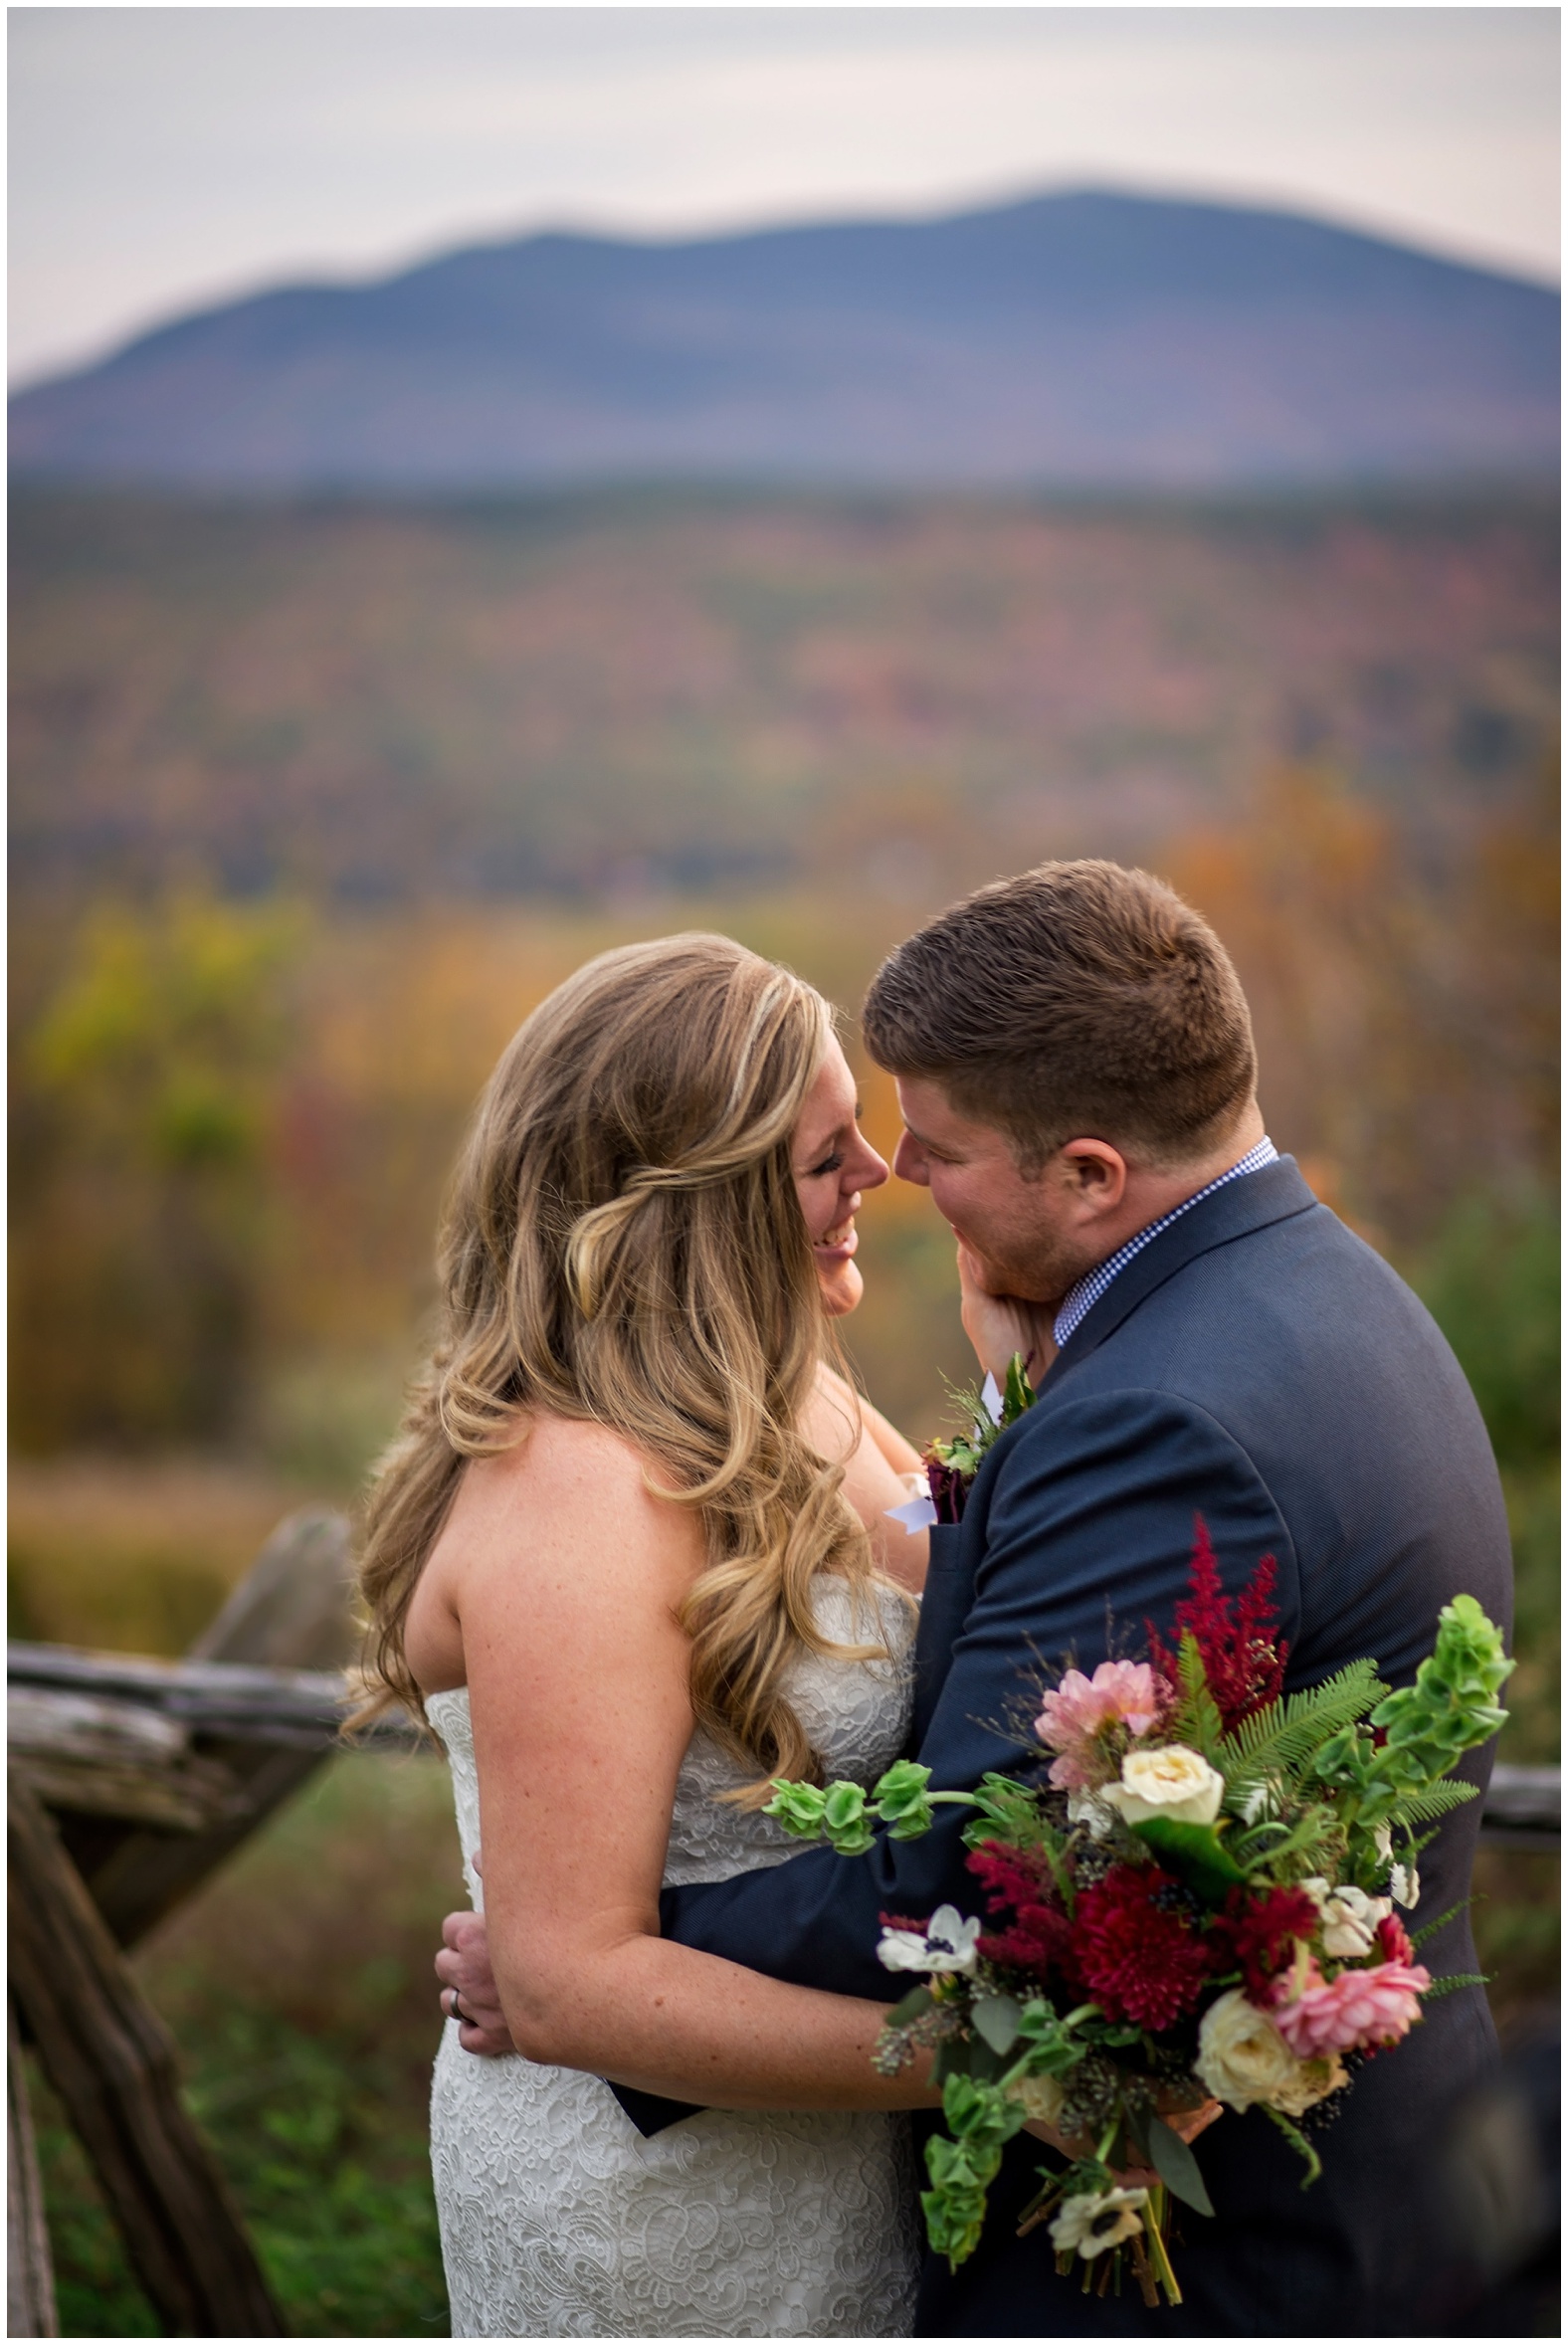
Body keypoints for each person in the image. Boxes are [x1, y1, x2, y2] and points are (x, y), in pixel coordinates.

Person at [442, 861, 1514, 2337]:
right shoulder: (1319, 1293)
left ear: (1086, 1173)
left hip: (1233, 2253)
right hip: (694, 2207)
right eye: (845, 1149)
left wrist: (597, 1965)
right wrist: (584, 1972)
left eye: (927, 1144)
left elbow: (965, 1876)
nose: (895, 1178)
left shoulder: (1152, 1416)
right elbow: (1008, 1603)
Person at [359, 932, 957, 2338]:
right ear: (700, 1196)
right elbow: (567, 1987)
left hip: (828, 2156)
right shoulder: (581, 1486)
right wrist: (994, 2057)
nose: (878, 1175)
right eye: (826, 1155)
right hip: (659, 2215)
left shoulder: (801, 1392)